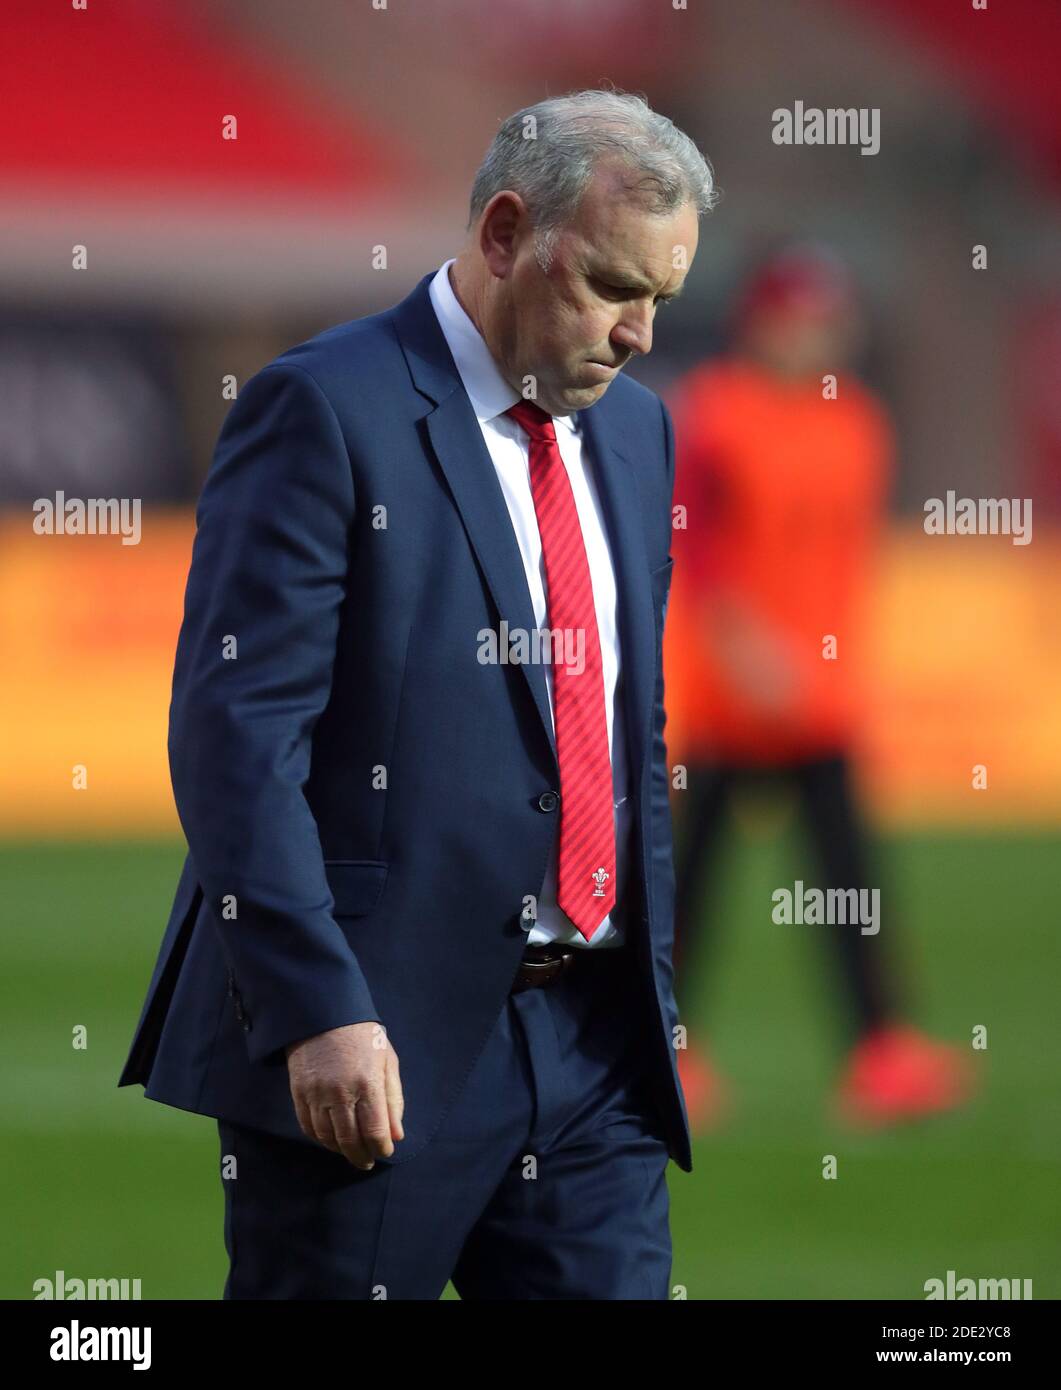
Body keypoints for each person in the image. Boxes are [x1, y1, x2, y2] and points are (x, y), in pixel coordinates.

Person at [117, 89, 718, 1300]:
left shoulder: (640, 430)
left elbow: (620, 725)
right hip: (370, 1050)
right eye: (609, 285)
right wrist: (313, 1009)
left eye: (661, 296)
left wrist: (644, 988)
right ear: (503, 233)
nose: (639, 332)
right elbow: (239, 735)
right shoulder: (326, 406)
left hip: (594, 1056)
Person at [666, 244, 975, 1132]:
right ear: (762, 322)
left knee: (850, 883)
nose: (818, 333)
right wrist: (740, 644)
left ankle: (880, 1052)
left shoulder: (854, 423)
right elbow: (698, 541)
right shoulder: (717, 415)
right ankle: (667, 1050)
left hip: (821, 700)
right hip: (729, 699)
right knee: (692, 886)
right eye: (801, 316)